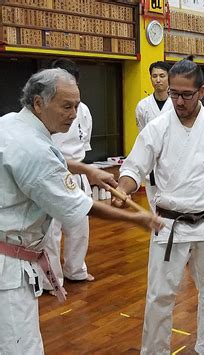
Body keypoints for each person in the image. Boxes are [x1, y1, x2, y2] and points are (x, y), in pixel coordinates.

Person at [0, 68, 163, 354]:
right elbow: (81, 206)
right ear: (39, 103)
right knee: (19, 347)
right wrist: (137, 218)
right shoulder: (33, 148)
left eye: (76, 105)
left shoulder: (11, 124)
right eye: (66, 106)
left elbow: (46, 154)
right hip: (8, 268)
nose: (74, 113)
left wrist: (84, 168)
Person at [113, 57, 204, 354]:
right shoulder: (158, 127)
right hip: (168, 224)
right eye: (173, 93)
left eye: (186, 94)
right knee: (159, 296)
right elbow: (135, 167)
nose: (178, 100)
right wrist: (123, 188)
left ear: (201, 91)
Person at [41, 58, 97, 296]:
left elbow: (84, 143)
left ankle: (76, 269)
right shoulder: (43, 107)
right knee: (51, 230)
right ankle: (51, 279)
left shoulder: (83, 110)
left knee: (79, 225)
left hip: (77, 172)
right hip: (51, 171)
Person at [135, 61, 173, 210]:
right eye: (154, 76)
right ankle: (157, 233)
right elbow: (143, 136)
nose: (158, 80)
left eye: (162, 76)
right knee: (154, 208)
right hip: (152, 162)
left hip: (173, 160)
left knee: (171, 207)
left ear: (169, 78)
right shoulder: (142, 106)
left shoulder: (177, 104)